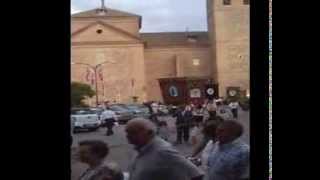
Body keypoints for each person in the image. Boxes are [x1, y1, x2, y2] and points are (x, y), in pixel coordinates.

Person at [125, 118, 204, 180]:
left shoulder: (163, 151)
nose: (128, 136)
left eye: (133, 132)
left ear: (149, 132)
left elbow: (196, 174)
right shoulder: (139, 149)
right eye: (127, 132)